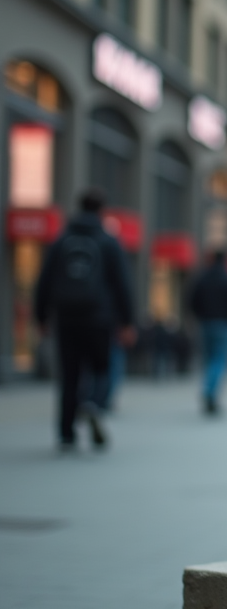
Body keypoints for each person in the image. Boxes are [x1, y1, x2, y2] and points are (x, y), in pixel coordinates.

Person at [34, 188, 136, 451]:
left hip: (66, 318)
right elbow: (122, 284)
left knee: (69, 375)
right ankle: (92, 403)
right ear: (102, 210)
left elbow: (44, 281)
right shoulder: (108, 241)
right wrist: (127, 321)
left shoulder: (62, 239)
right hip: (99, 317)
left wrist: (41, 316)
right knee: (101, 367)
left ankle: (66, 433)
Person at [188, 249, 227, 416]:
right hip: (225, 325)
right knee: (219, 359)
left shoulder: (202, 278)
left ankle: (209, 389)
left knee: (209, 359)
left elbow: (191, 301)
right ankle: (210, 391)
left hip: (205, 323)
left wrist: (199, 316)